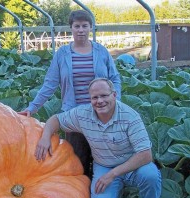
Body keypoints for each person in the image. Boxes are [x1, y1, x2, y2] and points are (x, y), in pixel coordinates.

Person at [34, 78, 162, 198]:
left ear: (114, 95)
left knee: (151, 176)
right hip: (105, 165)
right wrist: (45, 136)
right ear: (90, 99)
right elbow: (56, 120)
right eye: (95, 97)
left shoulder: (130, 117)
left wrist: (113, 174)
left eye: (104, 95)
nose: (99, 101)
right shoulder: (83, 115)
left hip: (132, 165)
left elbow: (145, 155)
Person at [19, 10, 121, 178]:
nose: (81, 30)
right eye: (77, 26)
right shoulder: (62, 54)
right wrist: (32, 107)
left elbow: (114, 78)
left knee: (102, 158)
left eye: (84, 26)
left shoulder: (101, 51)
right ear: (71, 29)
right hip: (74, 116)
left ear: (91, 28)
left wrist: (115, 101)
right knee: (78, 160)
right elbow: (50, 84)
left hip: (101, 113)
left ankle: (98, 194)